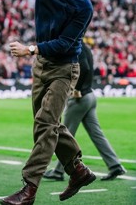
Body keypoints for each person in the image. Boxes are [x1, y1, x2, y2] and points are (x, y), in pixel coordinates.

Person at [0, 0, 96, 204]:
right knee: (47, 125)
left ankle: (29, 189)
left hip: (64, 68)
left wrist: (30, 49)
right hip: (42, 65)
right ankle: (78, 171)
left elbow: (65, 43)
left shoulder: (83, 7)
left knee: (45, 125)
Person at [44, 42, 126, 181]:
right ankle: (115, 165)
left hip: (80, 99)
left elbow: (85, 68)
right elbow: (88, 67)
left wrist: (77, 89)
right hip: (90, 96)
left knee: (65, 135)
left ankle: (58, 171)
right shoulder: (85, 47)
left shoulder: (76, 47)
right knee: (97, 134)